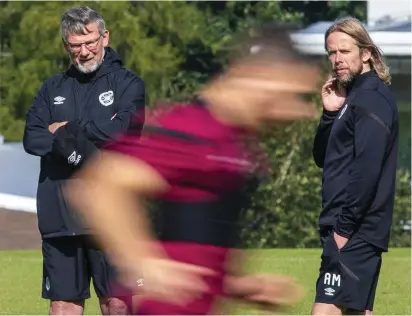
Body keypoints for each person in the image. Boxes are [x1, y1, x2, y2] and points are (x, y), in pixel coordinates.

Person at [65, 27, 319, 314]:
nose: (301, 112)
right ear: (262, 76)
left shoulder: (235, 144)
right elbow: (99, 187)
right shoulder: (194, 129)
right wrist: (142, 259)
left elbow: (194, 243)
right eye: (294, 95)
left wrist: (238, 286)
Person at [22, 6, 145, 315]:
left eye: (90, 42)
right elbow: (32, 138)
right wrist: (85, 138)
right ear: (67, 46)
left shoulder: (128, 84)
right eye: (76, 45)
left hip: (112, 215)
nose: (85, 51)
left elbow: (121, 131)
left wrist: (63, 131)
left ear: (105, 37)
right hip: (61, 216)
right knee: (63, 305)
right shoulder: (52, 88)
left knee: (117, 302)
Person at [311, 16, 398, 315]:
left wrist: (343, 231)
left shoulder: (371, 100)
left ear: (366, 53)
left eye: (344, 52)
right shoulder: (352, 98)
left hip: (354, 230)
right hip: (349, 229)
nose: (337, 60)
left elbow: (367, 172)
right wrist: (328, 116)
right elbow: (324, 158)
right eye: (331, 53)